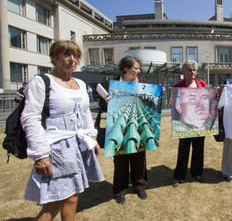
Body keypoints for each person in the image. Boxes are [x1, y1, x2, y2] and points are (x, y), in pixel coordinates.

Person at [20, 40, 104, 220]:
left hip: (78, 146)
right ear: (54, 57)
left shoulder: (80, 84)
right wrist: (41, 155)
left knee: (73, 196)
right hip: (56, 148)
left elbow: (85, 113)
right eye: (67, 54)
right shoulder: (42, 82)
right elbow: (30, 118)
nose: (72, 59)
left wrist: (92, 137)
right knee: (56, 201)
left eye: (75, 56)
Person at [99, 56, 148, 205]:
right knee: (120, 159)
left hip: (137, 125)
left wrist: (156, 95)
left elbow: (148, 104)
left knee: (139, 157)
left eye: (139, 68)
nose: (139, 71)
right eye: (136, 68)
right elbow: (102, 107)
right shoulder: (111, 84)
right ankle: (120, 190)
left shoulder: (142, 84)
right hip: (118, 127)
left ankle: (139, 186)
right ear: (126, 69)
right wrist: (107, 102)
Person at [172, 60, 207, 187]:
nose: (192, 72)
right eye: (189, 70)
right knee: (183, 149)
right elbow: (175, 105)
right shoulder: (178, 87)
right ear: (183, 72)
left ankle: (197, 173)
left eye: (194, 70)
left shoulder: (201, 84)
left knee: (199, 149)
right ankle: (179, 176)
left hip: (199, 123)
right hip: (184, 123)